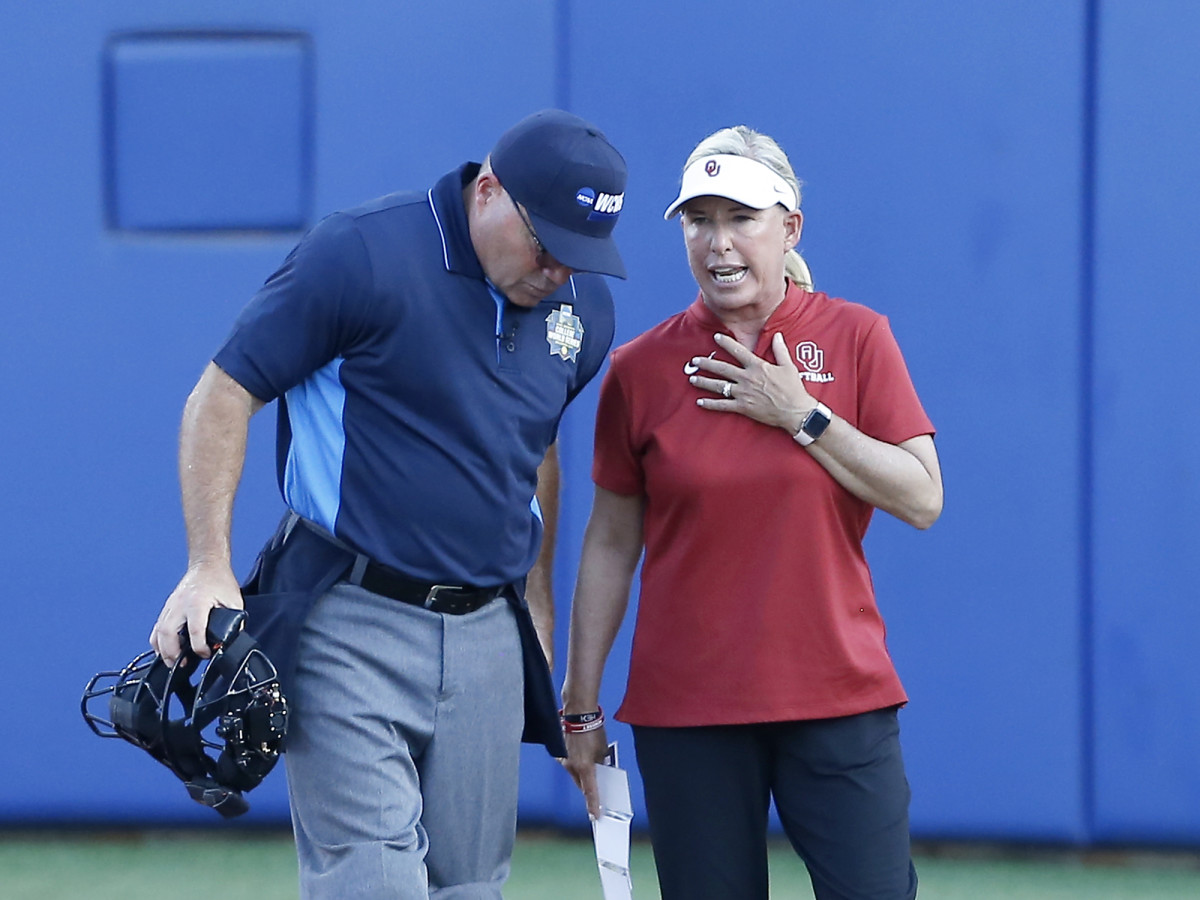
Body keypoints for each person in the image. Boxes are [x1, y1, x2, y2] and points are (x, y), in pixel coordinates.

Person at [148, 108, 628, 899]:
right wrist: (208, 566)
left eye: (579, 255)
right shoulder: (363, 253)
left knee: (470, 887)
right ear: (490, 192)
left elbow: (532, 451)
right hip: (350, 617)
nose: (557, 271)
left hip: (486, 635)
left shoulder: (583, 310)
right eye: (545, 244)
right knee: (369, 879)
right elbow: (222, 395)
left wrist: (537, 613)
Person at [560, 126, 942, 900]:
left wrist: (802, 414)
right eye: (699, 220)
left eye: (741, 218)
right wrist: (580, 706)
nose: (719, 243)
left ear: (789, 227)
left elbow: (922, 496)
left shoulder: (858, 338)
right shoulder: (639, 370)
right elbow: (609, 544)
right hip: (688, 713)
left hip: (839, 698)